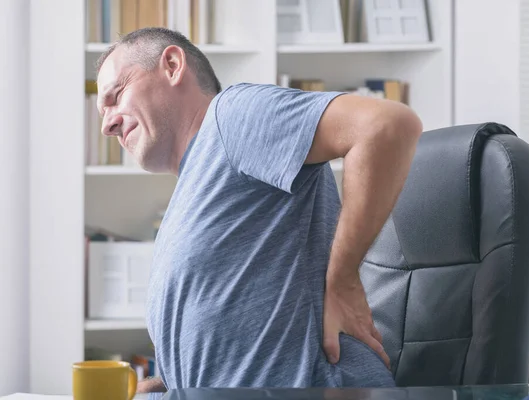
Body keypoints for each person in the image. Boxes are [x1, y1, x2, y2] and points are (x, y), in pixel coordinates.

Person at [95, 27, 422, 392]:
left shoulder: (230, 117)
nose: (107, 124)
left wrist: (343, 280)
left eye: (115, 95)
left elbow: (387, 126)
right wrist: (165, 385)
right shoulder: (190, 192)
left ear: (171, 65)